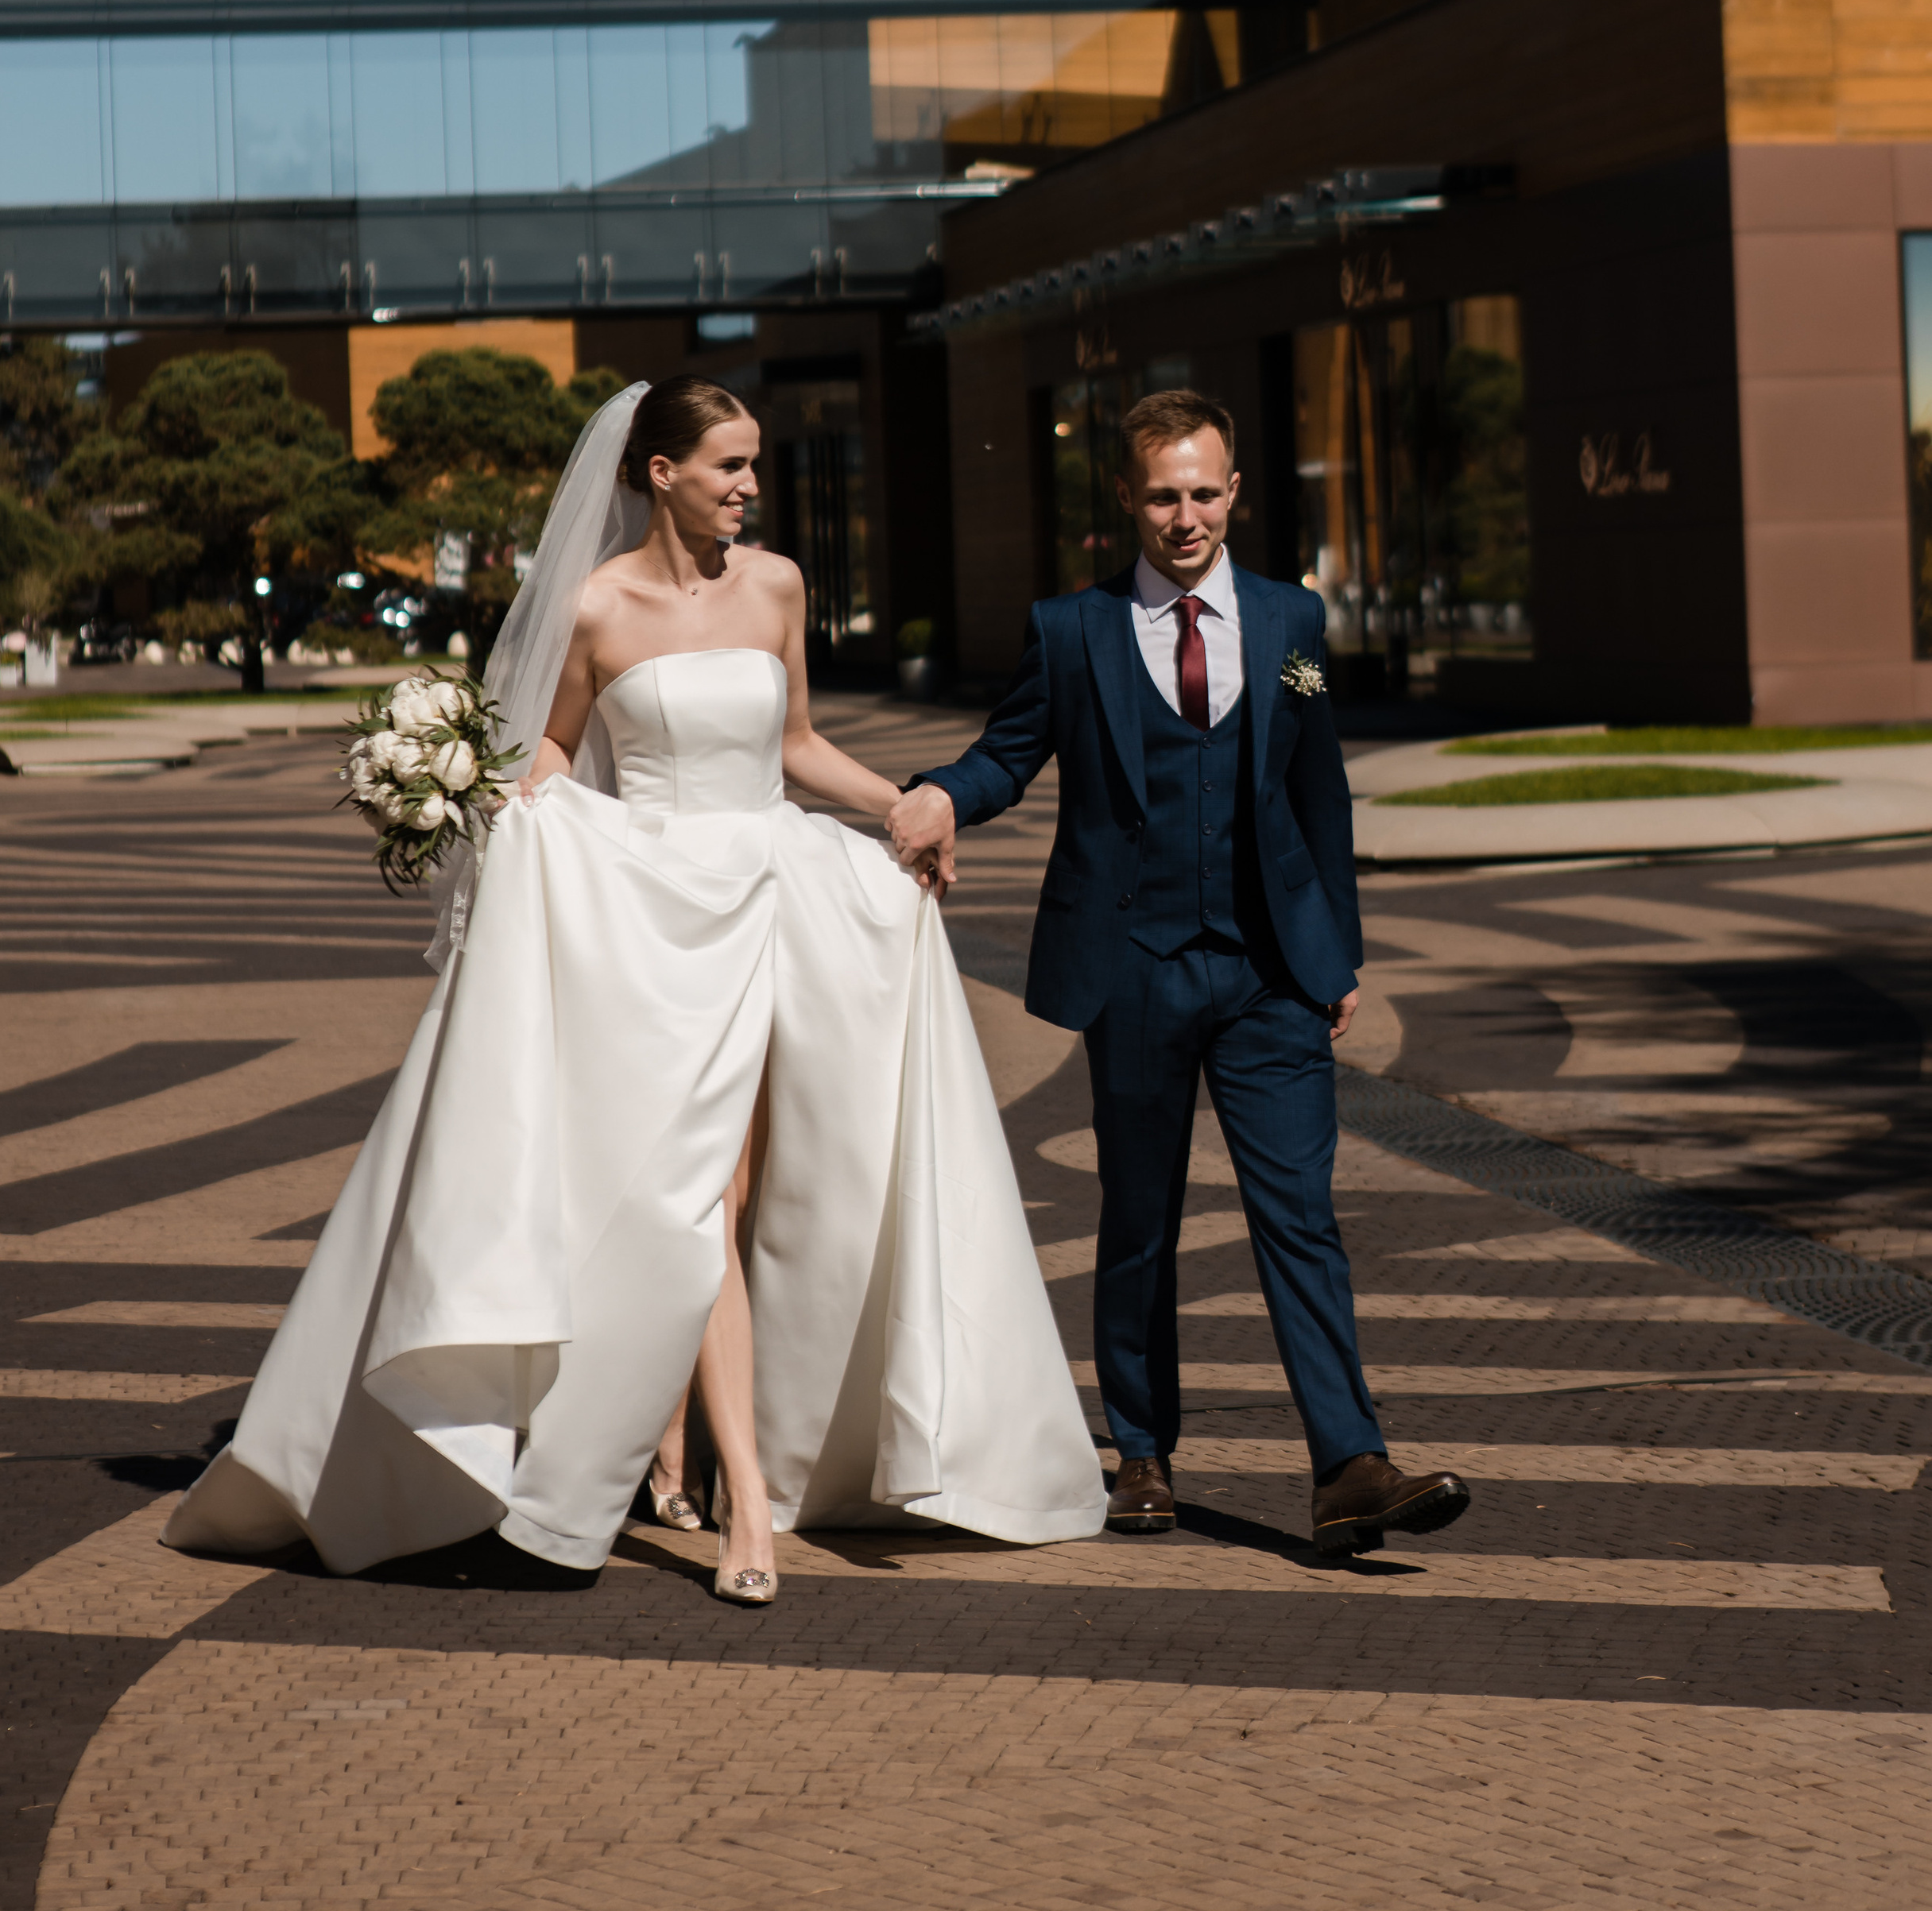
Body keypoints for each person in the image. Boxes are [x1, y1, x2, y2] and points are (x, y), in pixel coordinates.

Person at [165, 377, 1105, 1603]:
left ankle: (694, 1455)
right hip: (654, 923)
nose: (751, 487)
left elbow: (794, 748)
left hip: (777, 898)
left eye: (756, 465)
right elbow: (551, 743)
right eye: (729, 466)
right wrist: (527, 801)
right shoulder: (599, 605)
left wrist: (907, 806)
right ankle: (747, 1509)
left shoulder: (776, 588)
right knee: (697, 1203)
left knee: (771, 1192)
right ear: (659, 473)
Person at [887, 387, 1471, 1558]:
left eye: (1206, 491)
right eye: (1164, 493)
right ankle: (1142, 1455)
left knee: (1299, 1211)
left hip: (1268, 970)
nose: (1186, 513)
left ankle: (1350, 1463)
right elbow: (1011, 752)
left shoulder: (1290, 620)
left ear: (1237, 492)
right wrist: (945, 794)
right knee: (1140, 1218)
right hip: (1134, 965)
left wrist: (1335, 952)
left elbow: (1319, 791)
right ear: (1125, 499)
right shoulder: (1070, 630)